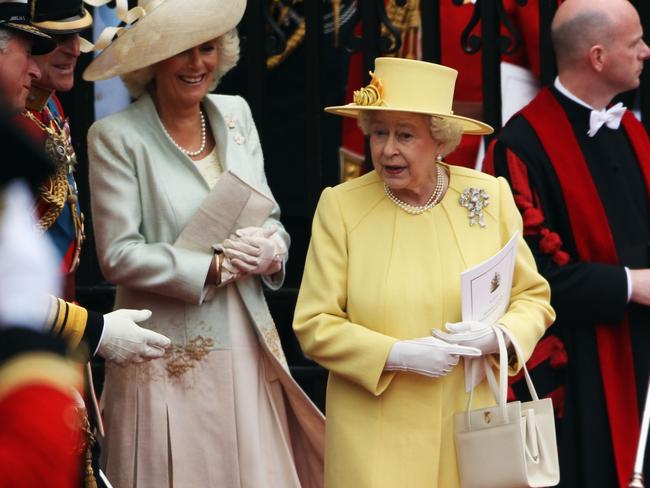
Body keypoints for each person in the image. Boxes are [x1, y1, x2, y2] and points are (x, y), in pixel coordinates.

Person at [83, 0, 324, 486]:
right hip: (167, 351)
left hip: (244, 336)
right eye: (181, 51)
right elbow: (117, 254)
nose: (198, 65)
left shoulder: (236, 113)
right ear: (152, 61)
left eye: (208, 49)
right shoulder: (115, 137)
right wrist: (209, 269)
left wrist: (271, 249)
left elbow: (270, 215)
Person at [292, 57, 555, 487]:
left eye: (405, 135)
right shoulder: (341, 207)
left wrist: (500, 336)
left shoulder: (488, 197)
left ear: (440, 140)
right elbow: (314, 323)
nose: (387, 149)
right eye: (379, 132)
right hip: (375, 434)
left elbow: (532, 297)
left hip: (471, 424)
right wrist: (397, 355)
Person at [482, 1, 650, 487]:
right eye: (634, 41)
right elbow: (528, 277)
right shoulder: (521, 145)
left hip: (642, 354)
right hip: (582, 373)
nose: (645, 51)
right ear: (597, 57)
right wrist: (630, 285)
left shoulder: (633, 130)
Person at [14, 0, 171, 367]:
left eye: (77, 35)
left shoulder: (50, 107)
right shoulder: (15, 125)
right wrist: (87, 328)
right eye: (54, 38)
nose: (73, 48)